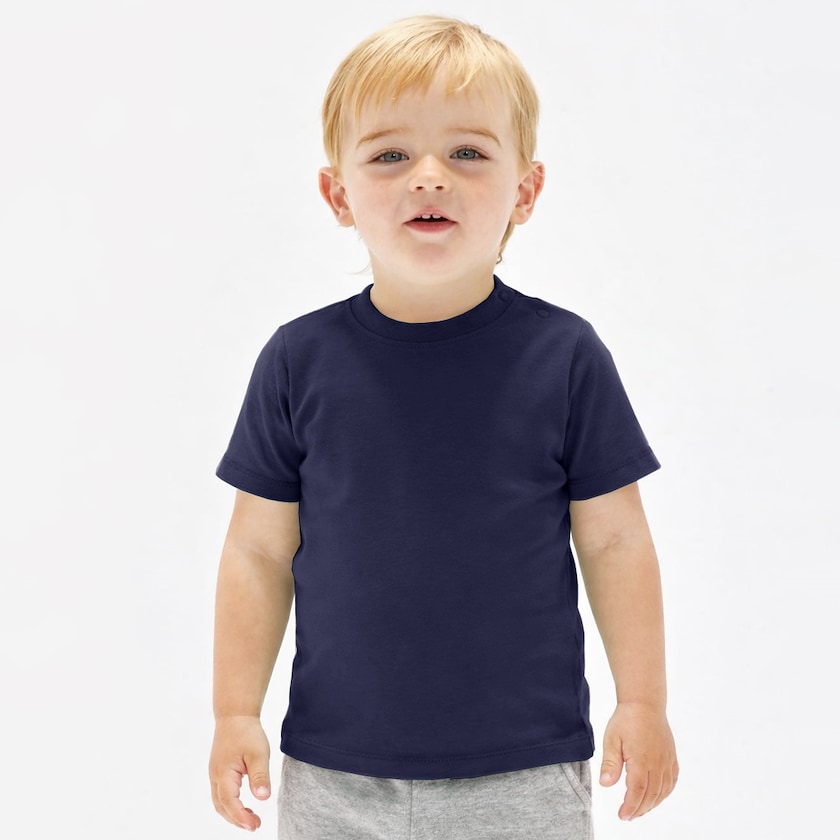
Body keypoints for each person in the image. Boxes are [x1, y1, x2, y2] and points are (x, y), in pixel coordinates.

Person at [209, 14, 678, 839]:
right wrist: (233, 712)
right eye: (391, 155)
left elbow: (615, 542)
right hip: (336, 774)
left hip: (524, 773)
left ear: (525, 191)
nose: (429, 178)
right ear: (338, 194)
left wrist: (642, 701)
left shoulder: (565, 357)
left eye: (467, 152)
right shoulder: (297, 361)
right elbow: (257, 550)